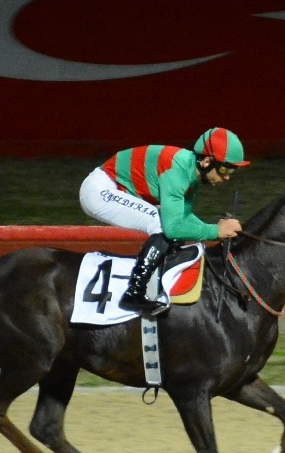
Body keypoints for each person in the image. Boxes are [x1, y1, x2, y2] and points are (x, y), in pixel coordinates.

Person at [79, 127, 249, 316]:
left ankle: (159, 281)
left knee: (168, 225)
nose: (227, 177)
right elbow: (173, 228)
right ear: (207, 161)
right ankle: (134, 292)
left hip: (113, 187)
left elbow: (184, 217)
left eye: (231, 171)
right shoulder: (177, 172)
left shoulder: (190, 172)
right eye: (224, 169)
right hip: (99, 191)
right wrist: (215, 231)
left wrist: (218, 231)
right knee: (160, 225)